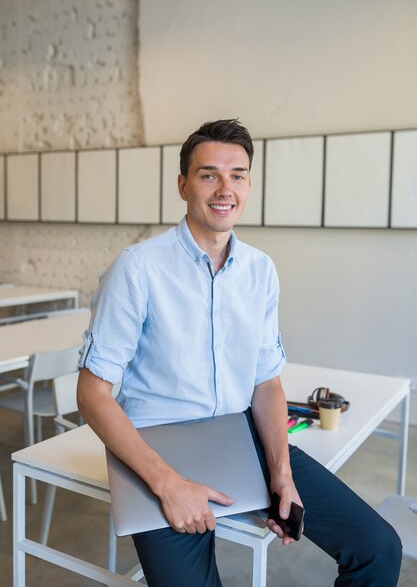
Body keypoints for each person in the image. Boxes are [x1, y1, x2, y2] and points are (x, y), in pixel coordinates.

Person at [77, 119, 402, 587]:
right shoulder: (139, 268)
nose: (224, 188)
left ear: (249, 184)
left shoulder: (260, 271)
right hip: (159, 448)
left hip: (240, 437)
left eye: (238, 175)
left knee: (378, 548)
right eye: (209, 174)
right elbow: (92, 394)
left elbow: (266, 381)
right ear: (183, 185)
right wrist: (168, 485)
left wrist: (281, 474)